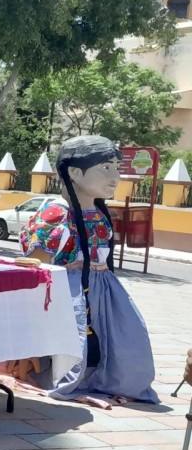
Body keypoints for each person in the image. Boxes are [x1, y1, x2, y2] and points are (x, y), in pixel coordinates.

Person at [19, 135, 158, 406]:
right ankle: (62, 379)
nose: (115, 176)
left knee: (125, 336)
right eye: (106, 168)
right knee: (75, 339)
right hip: (66, 291)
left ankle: (100, 379)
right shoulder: (55, 216)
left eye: (117, 168)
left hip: (101, 289)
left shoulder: (99, 213)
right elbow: (34, 268)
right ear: (74, 172)